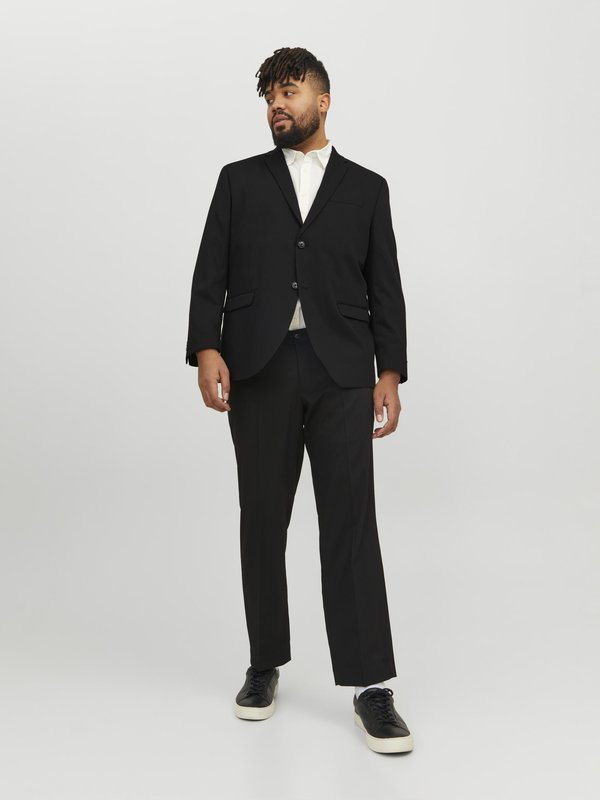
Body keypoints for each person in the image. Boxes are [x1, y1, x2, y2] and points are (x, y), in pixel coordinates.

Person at [185, 46, 413, 754]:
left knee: (351, 523)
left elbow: (385, 285)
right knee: (263, 519)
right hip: (259, 366)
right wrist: (206, 347)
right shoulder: (239, 181)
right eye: (269, 97)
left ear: (324, 99)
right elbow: (210, 269)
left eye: (289, 92)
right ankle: (264, 663)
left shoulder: (367, 189)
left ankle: (371, 686)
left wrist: (390, 371)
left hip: (343, 370)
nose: (277, 105)